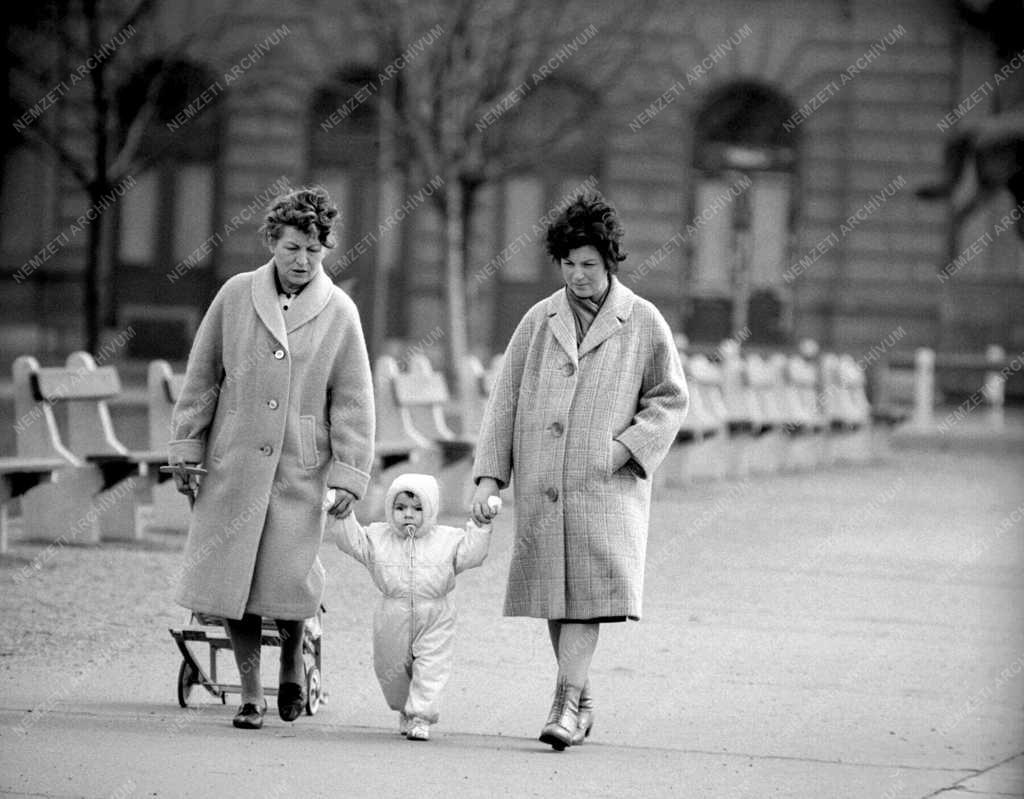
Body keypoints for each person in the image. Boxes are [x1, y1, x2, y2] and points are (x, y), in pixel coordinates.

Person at [469, 191, 688, 750]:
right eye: (568, 264)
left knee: (587, 596)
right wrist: (490, 476)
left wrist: (622, 449)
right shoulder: (538, 320)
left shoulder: (642, 321)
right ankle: (581, 700)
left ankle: (564, 703)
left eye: (588, 264)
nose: (578, 275)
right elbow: (506, 399)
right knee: (552, 594)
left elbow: (669, 398)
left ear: (609, 260)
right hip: (544, 482)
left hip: (603, 486)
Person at [168, 185, 375, 730]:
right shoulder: (235, 296)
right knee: (234, 580)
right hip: (234, 460)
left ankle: (291, 659)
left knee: (289, 578)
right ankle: (251, 694)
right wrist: (188, 446)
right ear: (271, 244)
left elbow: (353, 398)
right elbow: (202, 374)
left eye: (313, 250)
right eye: (291, 249)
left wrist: (351, 473)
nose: (303, 261)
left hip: (298, 466)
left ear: (326, 249)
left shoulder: (340, 312)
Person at [332, 473, 494, 741]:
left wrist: (480, 527)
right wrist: (342, 516)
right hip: (391, 614)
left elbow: (472, 554)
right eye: (401, 508)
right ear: (390, 509)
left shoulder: (447, 540)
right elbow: (352, 543)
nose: (409, 514)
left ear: (430, 509)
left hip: (435, 615)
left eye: (418, 509)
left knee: (431, 666)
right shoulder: (378, 537)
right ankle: (404, 707)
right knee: (390, 667)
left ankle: (421, 716)